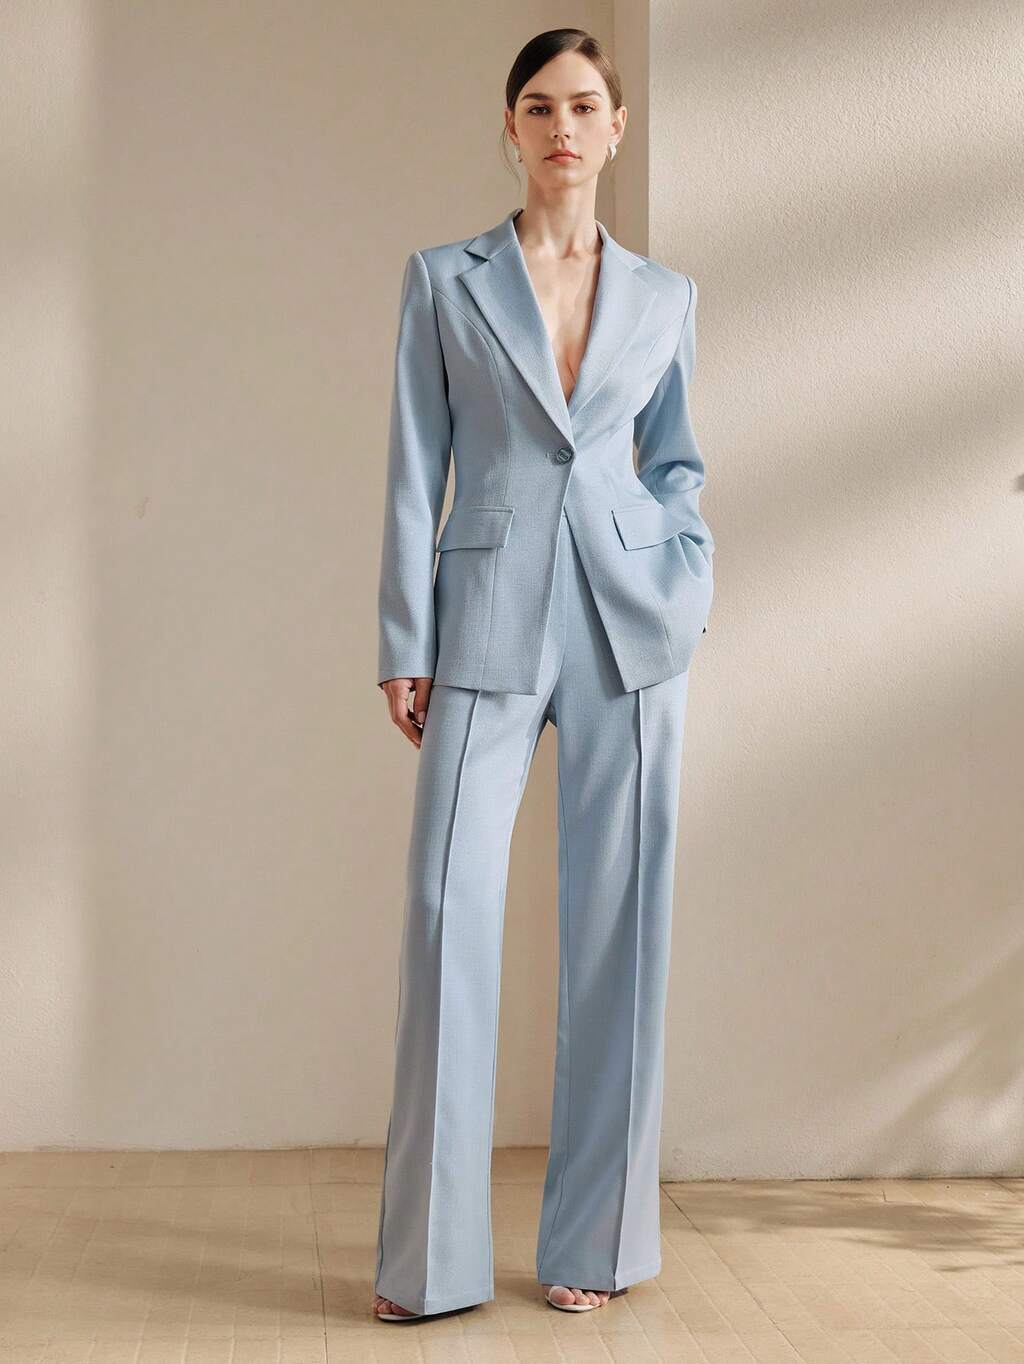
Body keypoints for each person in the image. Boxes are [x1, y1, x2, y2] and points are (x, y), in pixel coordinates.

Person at [372, 26, 714, 1323]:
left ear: (615, 128)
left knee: (622, 926)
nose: (560, 126)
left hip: (632, 623)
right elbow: (416, 467)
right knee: (445, 909)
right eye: (537, 106)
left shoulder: (667, 297)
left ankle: (595, 1245)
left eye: (582, 105)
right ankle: (430, 1265)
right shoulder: (444, 280)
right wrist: (405, 639)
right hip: (484, 615)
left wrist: (685, 584)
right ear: (510, 128)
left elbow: (677, 464)